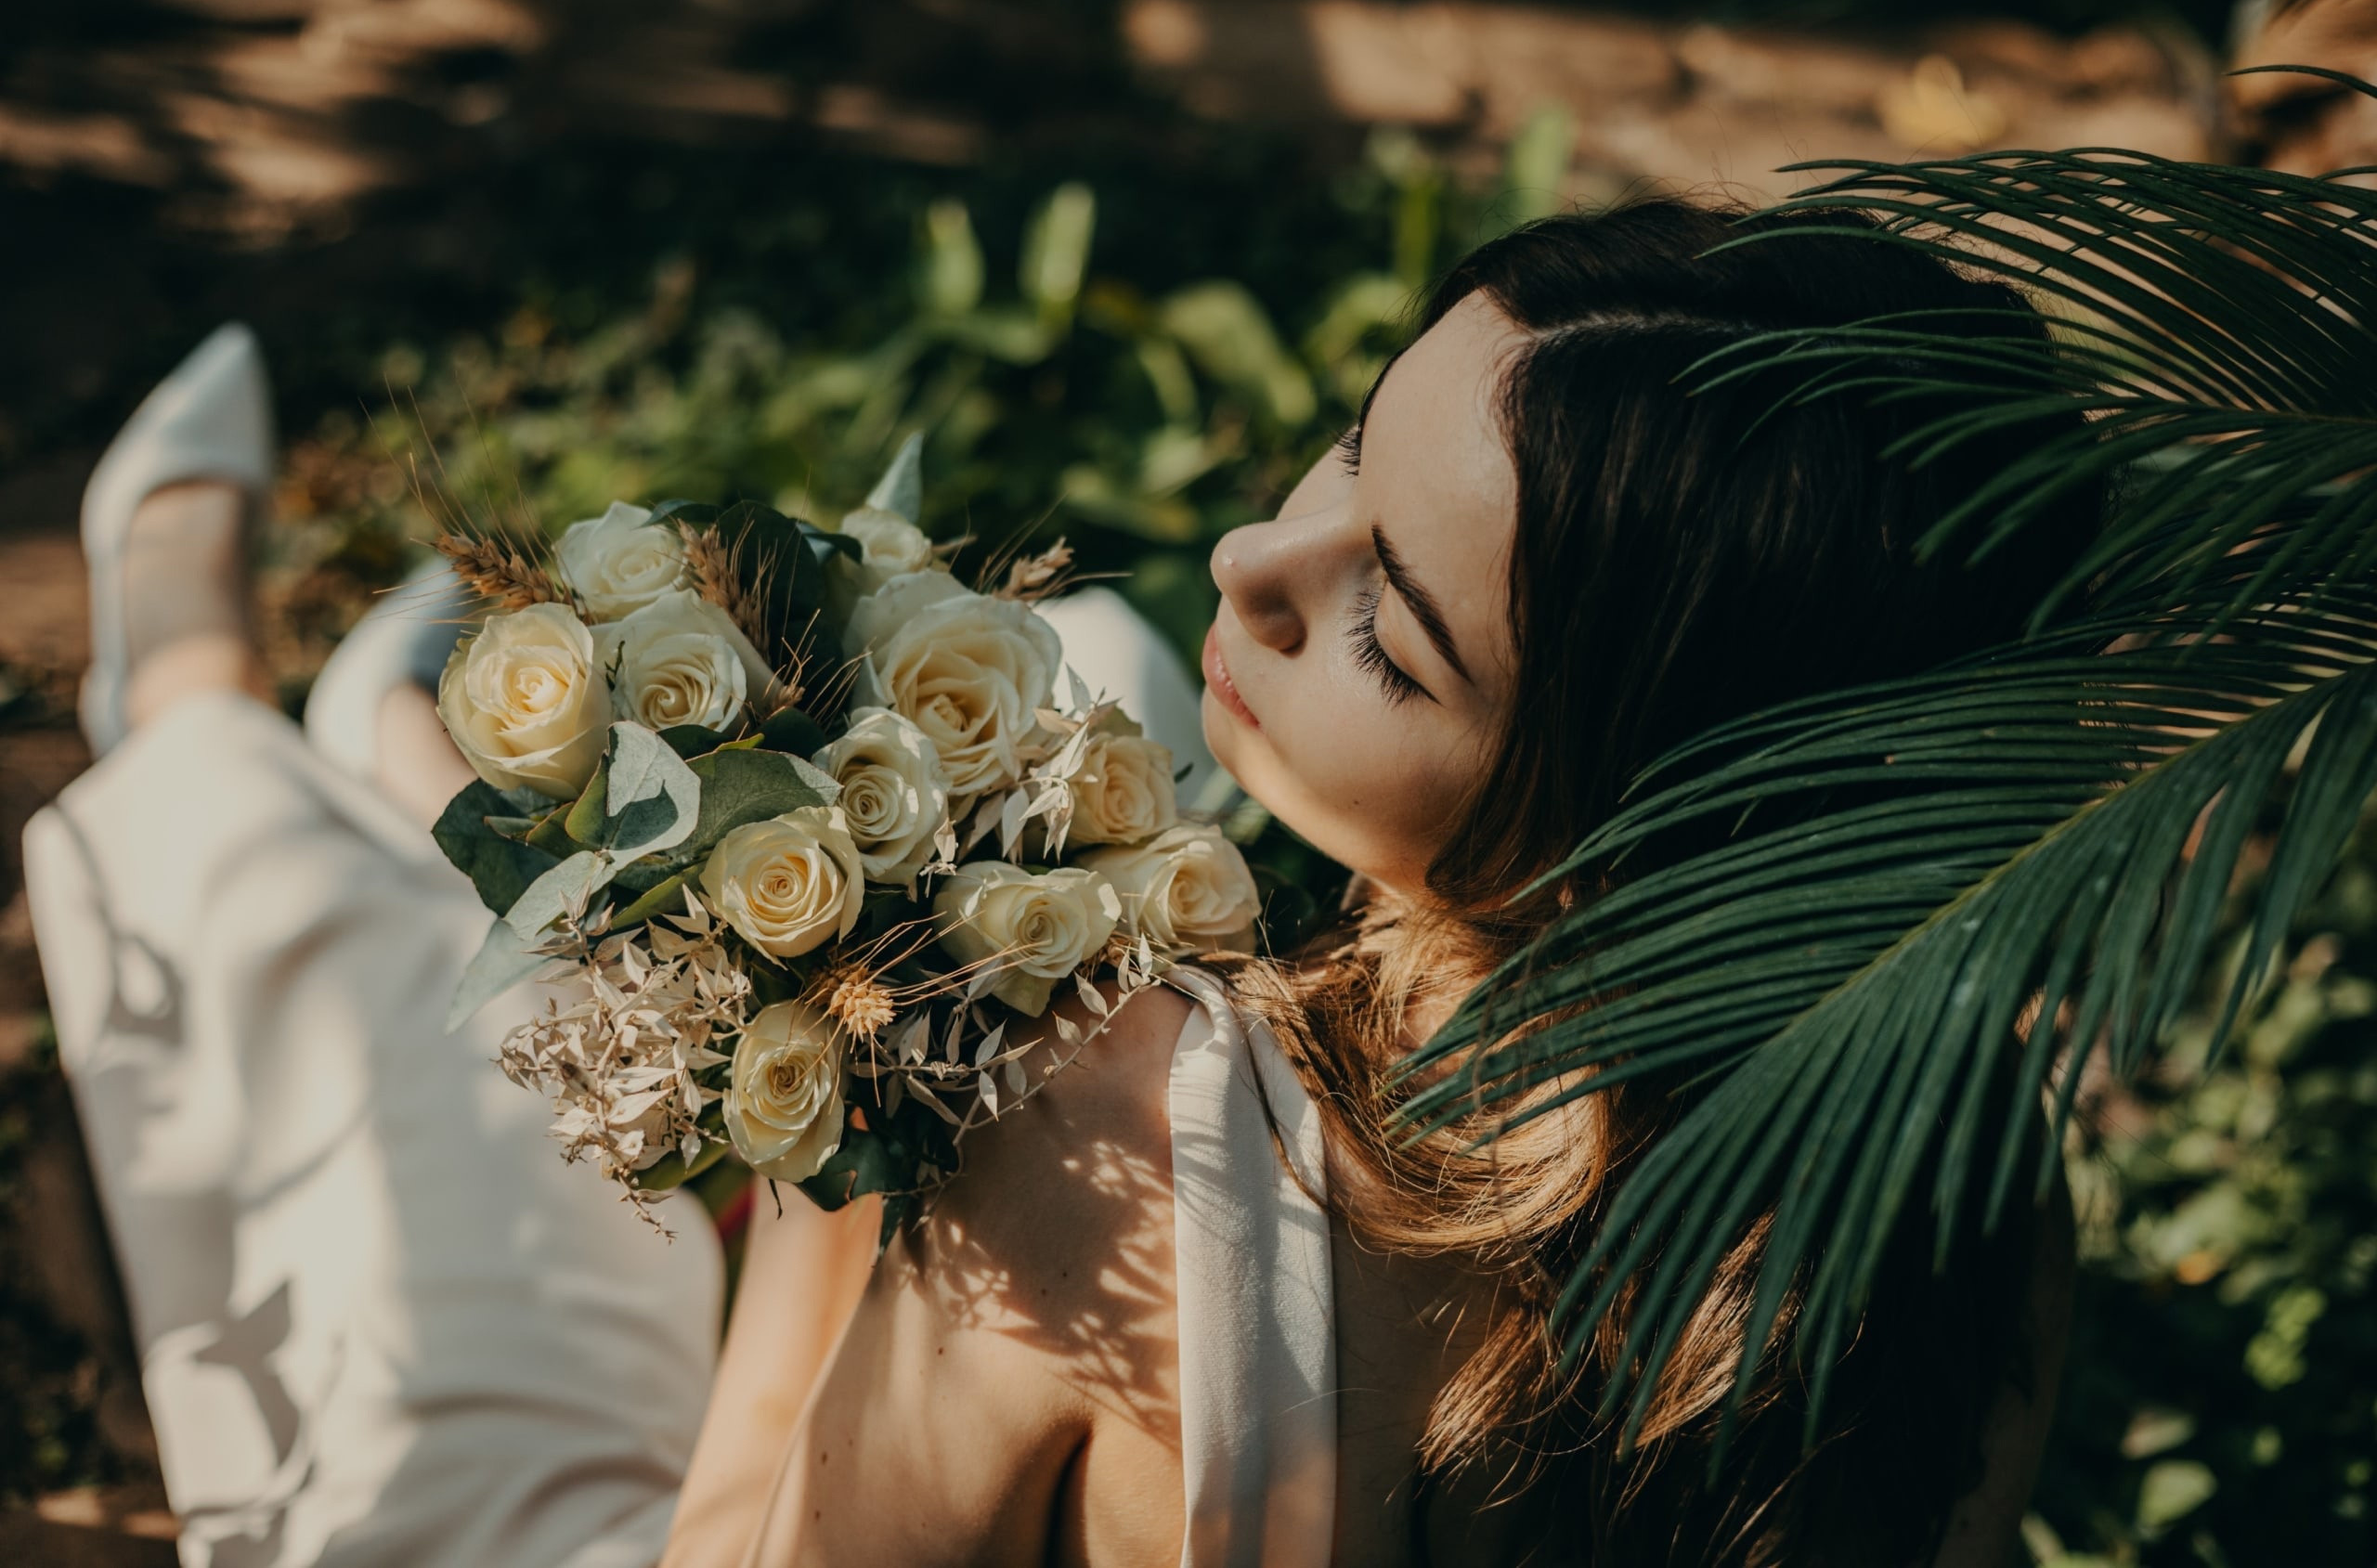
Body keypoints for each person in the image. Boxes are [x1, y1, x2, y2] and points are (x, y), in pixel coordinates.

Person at [28, 197, 2079, 1568]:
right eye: (1354, 455)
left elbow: (756, 1528)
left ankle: (205, 710)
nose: (1256, 565)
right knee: (1093, 668)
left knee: (418, 1180)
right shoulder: (1946, 1213)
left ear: (1650, 820)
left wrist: (871, 1112)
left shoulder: (1148, 1117)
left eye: (1390, 632)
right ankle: (388, 770)